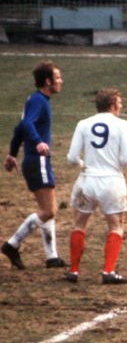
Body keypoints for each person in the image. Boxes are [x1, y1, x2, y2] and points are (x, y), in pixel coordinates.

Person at [2, 61, 67, 270]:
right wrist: (39, 141)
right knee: (48, 210)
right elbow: (27, 125)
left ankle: (52, 257)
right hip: (37, 160)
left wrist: (12, 153)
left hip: (34, 160)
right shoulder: (39, 101)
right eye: (57, 78)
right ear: (48, 81)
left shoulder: (35, 100)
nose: (60, 81)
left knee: (48, 209)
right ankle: (12, 244)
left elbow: (19, 128)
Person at [64, 89, 127, 284]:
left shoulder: (83, 124)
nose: (121, 106)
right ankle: (108, 271)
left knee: (79, 224)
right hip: (111, 182)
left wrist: (82, 165)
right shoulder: (123, 125)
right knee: (116, 226)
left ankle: (74, 271)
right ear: (112, 105)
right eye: (119, 103)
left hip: (86, 181)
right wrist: (124, 168)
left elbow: (71, 158)